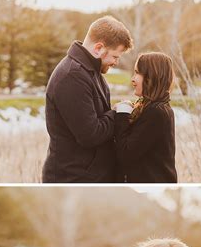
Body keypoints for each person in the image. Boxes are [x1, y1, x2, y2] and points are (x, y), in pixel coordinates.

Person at [42, 16, 133, 183]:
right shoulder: (72, 76)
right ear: (98, 48)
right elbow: (90, 135)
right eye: (115, 56)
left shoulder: (93, 73)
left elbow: (99, 121)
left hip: (90, 176)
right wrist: (117, 113)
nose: (116, 62)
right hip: (73, 178)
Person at [114, 52, 177, 183]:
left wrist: (122, 114)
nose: (133, 79)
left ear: (151, 77)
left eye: (137, 73)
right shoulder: (151, 107)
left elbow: (125, 154)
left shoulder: (157, 112)